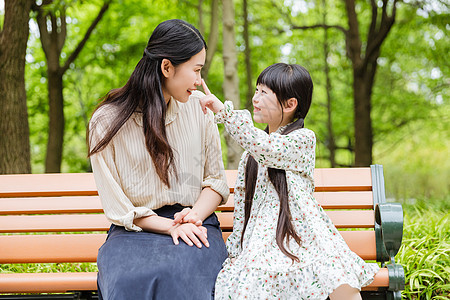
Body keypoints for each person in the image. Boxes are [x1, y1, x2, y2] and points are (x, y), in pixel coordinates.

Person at [199, 63, 380, 300]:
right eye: (256, 90)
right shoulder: (250, 157)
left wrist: (225, 113)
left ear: (290, 104)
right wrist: (236, 249)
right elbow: (243, 206)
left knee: (337, 276)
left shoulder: (302, 140)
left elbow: (267, 148)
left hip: (302, 239)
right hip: (263, 244)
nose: (256, 98)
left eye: (264, 93)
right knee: (248, 283)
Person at [87, 19, 229, 299]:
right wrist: (171, 226)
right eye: (196, 70)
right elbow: (117, 204)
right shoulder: (105, 122)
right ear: (167, 67)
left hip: (196, 223)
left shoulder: (200, 111)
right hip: (135, 231)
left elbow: (215, 182)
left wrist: (193, 217)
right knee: (129, 280)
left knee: (180, 276)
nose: (200, 80)